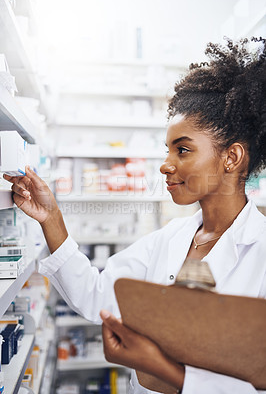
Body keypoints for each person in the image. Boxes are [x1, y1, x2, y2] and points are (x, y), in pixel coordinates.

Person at [4, 37, 266, 394]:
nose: (165, 164)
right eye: (167, 149)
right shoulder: (171, 238)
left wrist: (163, 370)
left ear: (231, 158)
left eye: (183, 149)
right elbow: (98, 297)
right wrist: (51, 219)